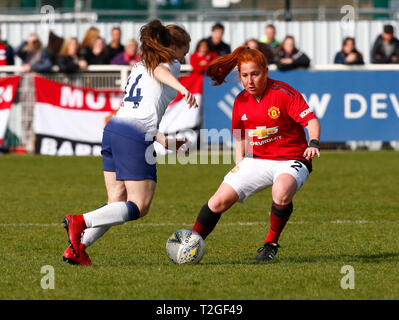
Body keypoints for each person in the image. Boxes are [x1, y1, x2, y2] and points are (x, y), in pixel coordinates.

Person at [62, 20, 198, 266]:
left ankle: (77, 248)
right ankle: (79, 221)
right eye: (184, 52)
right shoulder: (169, 66)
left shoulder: (139, 65)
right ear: (174, 47)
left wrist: (165, 141)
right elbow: (161, 71)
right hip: (133, 135)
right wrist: (182, 88)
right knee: (140, 205)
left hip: (115, 129)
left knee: (116, 201)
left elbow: (142, 108)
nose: (184, 59)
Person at [191, 46, 321, 262]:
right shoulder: (240, 101)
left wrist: (313, 142)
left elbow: (311, 121)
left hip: (292, 158)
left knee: (281, 192)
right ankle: (191, 243)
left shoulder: (283, 93)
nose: (250, 81)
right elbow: (241, 136)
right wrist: (239, 164)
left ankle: (270, 245)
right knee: (217, 202)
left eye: (255, 74)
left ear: (266, 72)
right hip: (258, 160)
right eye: (244, 75)